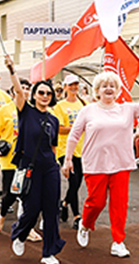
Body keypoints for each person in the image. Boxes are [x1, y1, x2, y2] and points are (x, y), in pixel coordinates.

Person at [63, 71, 139, 259]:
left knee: (119, 205)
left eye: (112, 86)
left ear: (118, 90)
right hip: (95, 163)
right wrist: (68, 159)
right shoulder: (88, 110)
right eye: (104, 86)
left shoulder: (127, 109)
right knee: (97, 201)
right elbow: (74, 135)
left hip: (121, 163)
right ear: (97, 91)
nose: (108, 89)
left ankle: (118, 242)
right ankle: (85, 224)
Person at [5, 56, 64, 264]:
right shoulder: (25, 112)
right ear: (34, 95)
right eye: (41, 92)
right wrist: (12, 69)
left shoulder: (54, 120)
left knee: (51, 209)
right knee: (32, 210)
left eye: (48, 93)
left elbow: (54, 145)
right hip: (29, 166)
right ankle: (20, 233)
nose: (45, 96)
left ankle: (48, 253)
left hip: (49, 168)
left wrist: (56, 164)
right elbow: (19, 91)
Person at [0, 77, 32, 232]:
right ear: (13, 91)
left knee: (28, 193)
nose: (25, 91)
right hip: (10, 158)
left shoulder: (33, 109)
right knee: (11, 191)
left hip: (29, 158)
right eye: (22, 88)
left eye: (28, 88)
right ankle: (2, 215)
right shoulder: (5, 110)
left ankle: (26, 226)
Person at [53, 74, 86, 228]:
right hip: (66, 150)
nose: (73, 87)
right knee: (73, 181)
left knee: (78, 182)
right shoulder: (59, 106)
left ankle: (64, 203)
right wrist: (76, 128)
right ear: (65, 87)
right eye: (70, 85)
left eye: (76, 84)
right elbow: (59, 129)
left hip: (82, 149)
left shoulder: (83, 104)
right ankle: (77, 216)